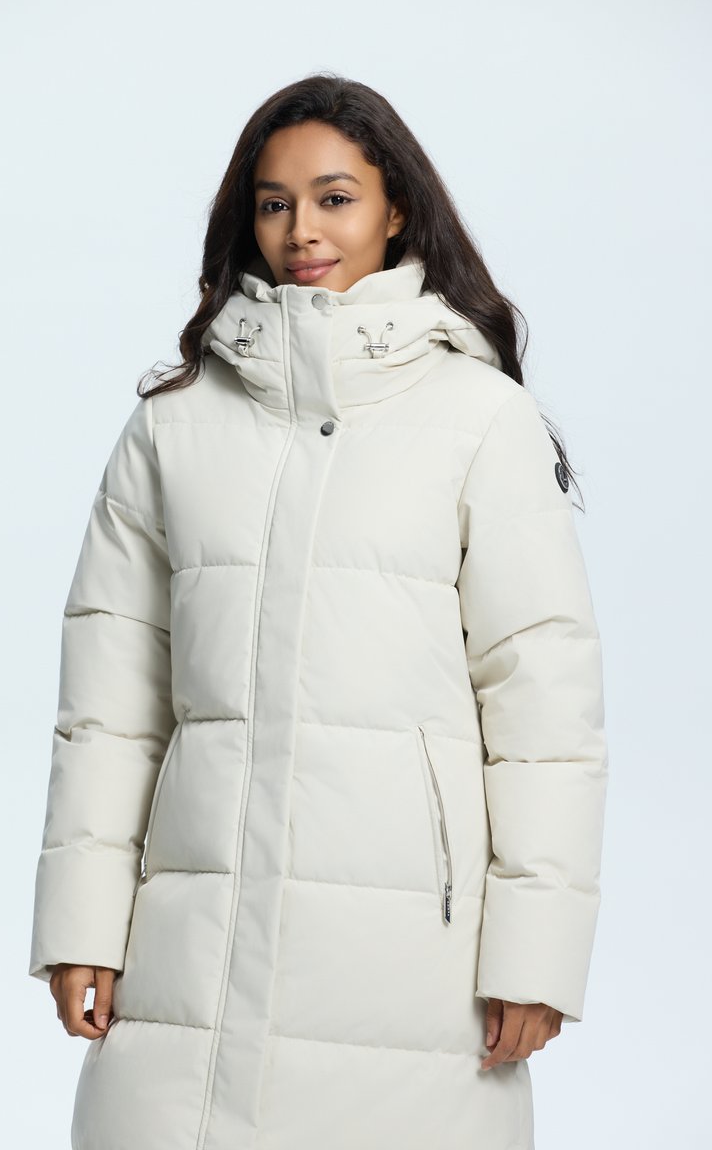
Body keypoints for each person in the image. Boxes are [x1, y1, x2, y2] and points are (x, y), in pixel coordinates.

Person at [30, 74, 608, 1150]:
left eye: (335, 198)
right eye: (274, 203)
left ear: (396, 211)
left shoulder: (479, 419)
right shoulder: (170, 427)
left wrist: (537, 954)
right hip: (190, 962)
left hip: (413, 968)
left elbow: (543, 715)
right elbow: (110, 711)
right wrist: (82, 923)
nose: (302, 229)